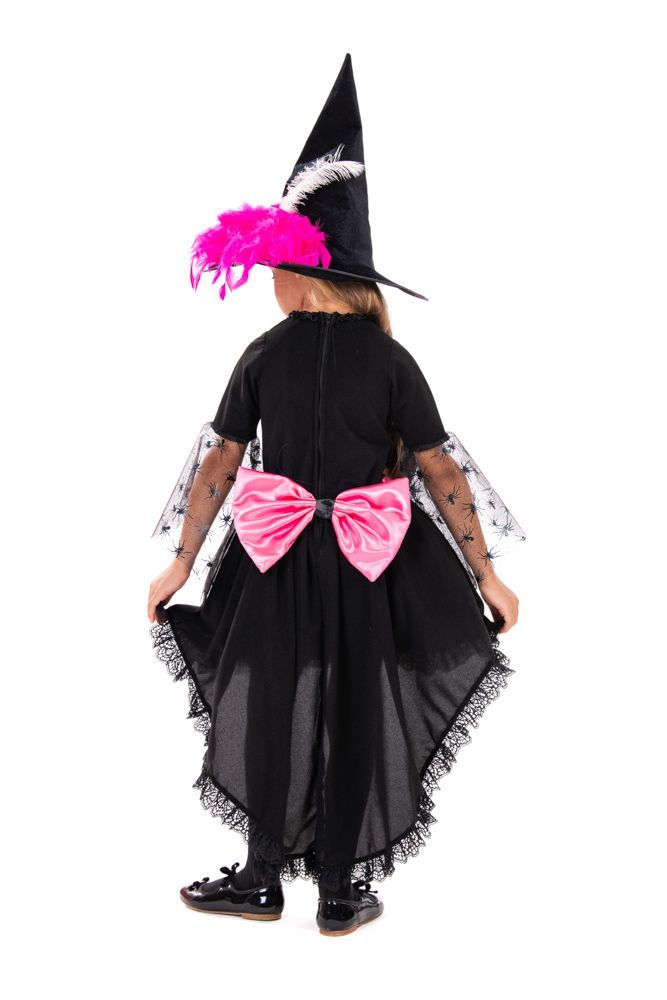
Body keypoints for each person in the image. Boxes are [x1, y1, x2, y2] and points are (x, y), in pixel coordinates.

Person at [147, 54, 524, 937]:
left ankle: (261, 876)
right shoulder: (391, 361)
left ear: (302, 272)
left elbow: (218, 466)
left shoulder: (263, 354)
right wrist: (486, 576)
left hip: (272, 565)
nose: (265, 280)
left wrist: (180, 565)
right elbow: (440, 474)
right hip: (368, 567)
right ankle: (342, 890)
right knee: (356, 707)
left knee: (269, 703)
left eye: (272, 266)